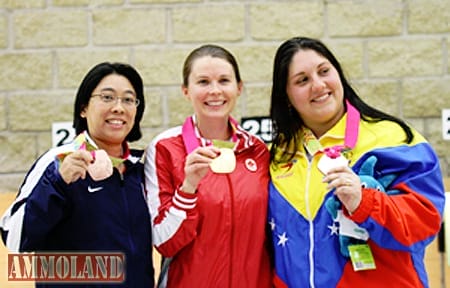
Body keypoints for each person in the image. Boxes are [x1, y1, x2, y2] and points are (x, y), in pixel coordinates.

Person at [267, 36, 445, 288]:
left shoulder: (395, 139)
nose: (318, 85)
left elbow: (426, 222)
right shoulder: (277, 156)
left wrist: (365, 202)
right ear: (286, 95)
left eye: (324, 71)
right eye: (302, 80)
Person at [0, 62, 154, 287]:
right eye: (107, 97)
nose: (119, 108)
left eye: (129, 99)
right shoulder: (57, 163)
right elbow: (14, 238)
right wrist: (57, 183)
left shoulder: (141, 169)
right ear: (83, 107)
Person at [144, 44, 272, 288]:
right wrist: (188, 187)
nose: (215, 91)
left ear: (239, 87)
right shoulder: (165, 148)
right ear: (186, 91)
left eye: (224, 80)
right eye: (203, 82)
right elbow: (164, 242)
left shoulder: (257, 150)